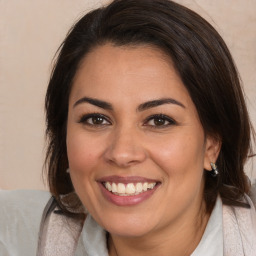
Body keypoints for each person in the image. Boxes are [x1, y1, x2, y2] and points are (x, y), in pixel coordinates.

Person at [0, 0, 256, 255]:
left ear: (211, 143)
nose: (122, 153)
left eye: (159, 120)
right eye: (96, 119)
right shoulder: (14, 236)